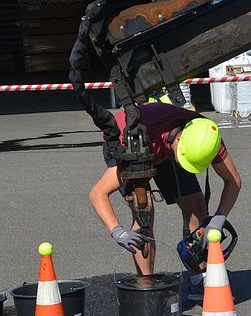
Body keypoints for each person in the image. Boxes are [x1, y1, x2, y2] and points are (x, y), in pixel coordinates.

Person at [88, 102, 241, 294]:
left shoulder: (206, 136)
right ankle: (146, 289)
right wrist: (117, 230)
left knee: (196, 205)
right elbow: (97, 193)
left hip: (167, 140)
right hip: (133, 144)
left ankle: (199, 278)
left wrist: (220, 217)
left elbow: (233, 180)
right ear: (177, 140)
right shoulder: (132, 143)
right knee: (143, 210)